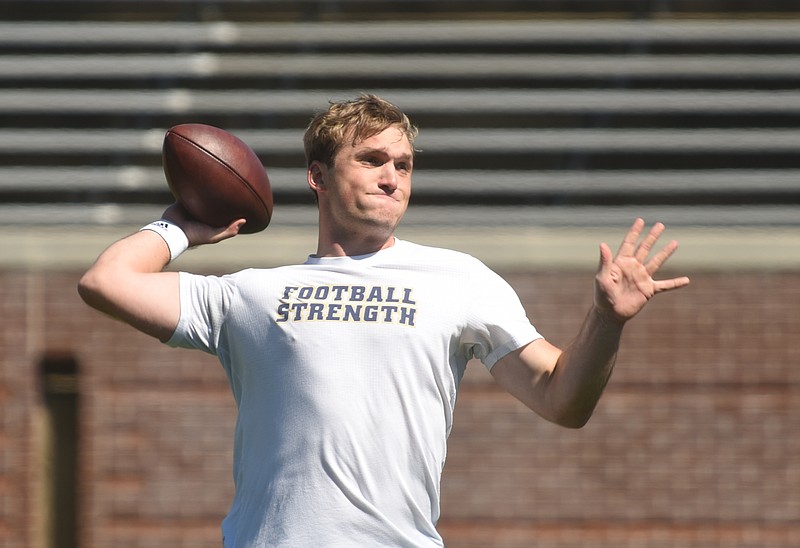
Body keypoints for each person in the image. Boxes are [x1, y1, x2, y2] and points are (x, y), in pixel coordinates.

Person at [78, 94, 690, 547]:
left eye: (403, 163)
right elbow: (106, 282)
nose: (392, 177)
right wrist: (182, 226)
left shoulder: (461, 280)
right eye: (371, 159)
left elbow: (563, 401)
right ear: (317, 177)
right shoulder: (252, 294)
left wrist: (606, 321)